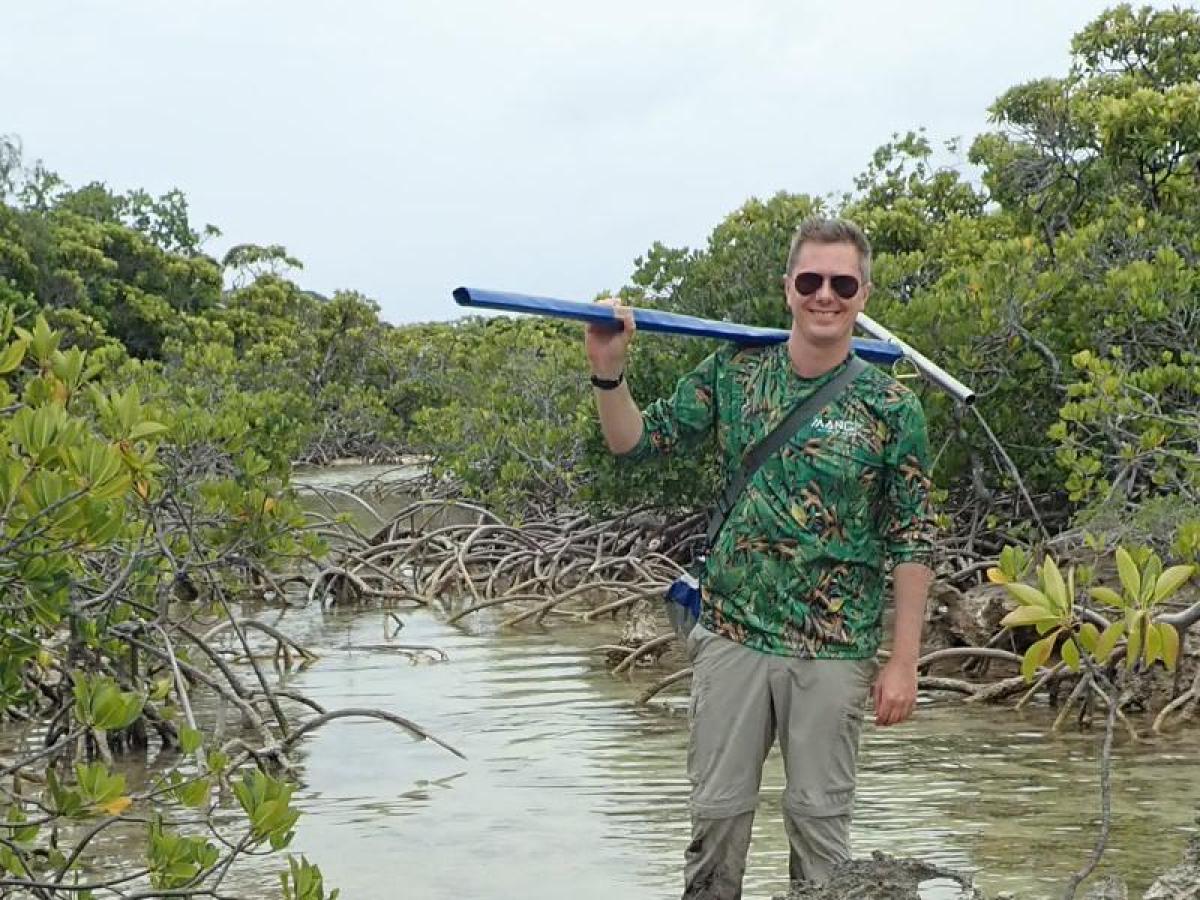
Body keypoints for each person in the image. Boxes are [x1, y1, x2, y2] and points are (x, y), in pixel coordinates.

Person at [585, 217, 935, 898]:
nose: (824, 296)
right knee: (716, 824)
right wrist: (609, 372)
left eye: (841, 283)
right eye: (810, 281)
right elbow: (636, 442)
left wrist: (903, 660)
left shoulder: (893, 405)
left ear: (863, 294)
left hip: (836, 650)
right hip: (732, 636)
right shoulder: (734, 371)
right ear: (788, 289)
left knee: (821, 834)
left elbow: (913, 537)